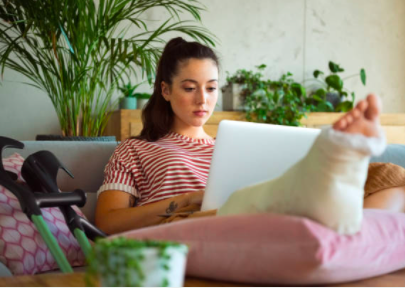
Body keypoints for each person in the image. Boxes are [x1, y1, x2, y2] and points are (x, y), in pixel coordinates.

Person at [95, 37, 405, 235]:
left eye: (212, 88)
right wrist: (189, 199)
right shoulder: (135, 149)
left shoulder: (232, 148)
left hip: (259, 213)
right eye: (190, 88)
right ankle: (338, 215)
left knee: (392, 176)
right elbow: (107, 222)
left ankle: (345, 228)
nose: (203, 100)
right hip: (190, 226)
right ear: (165, 90)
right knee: (263, 205)